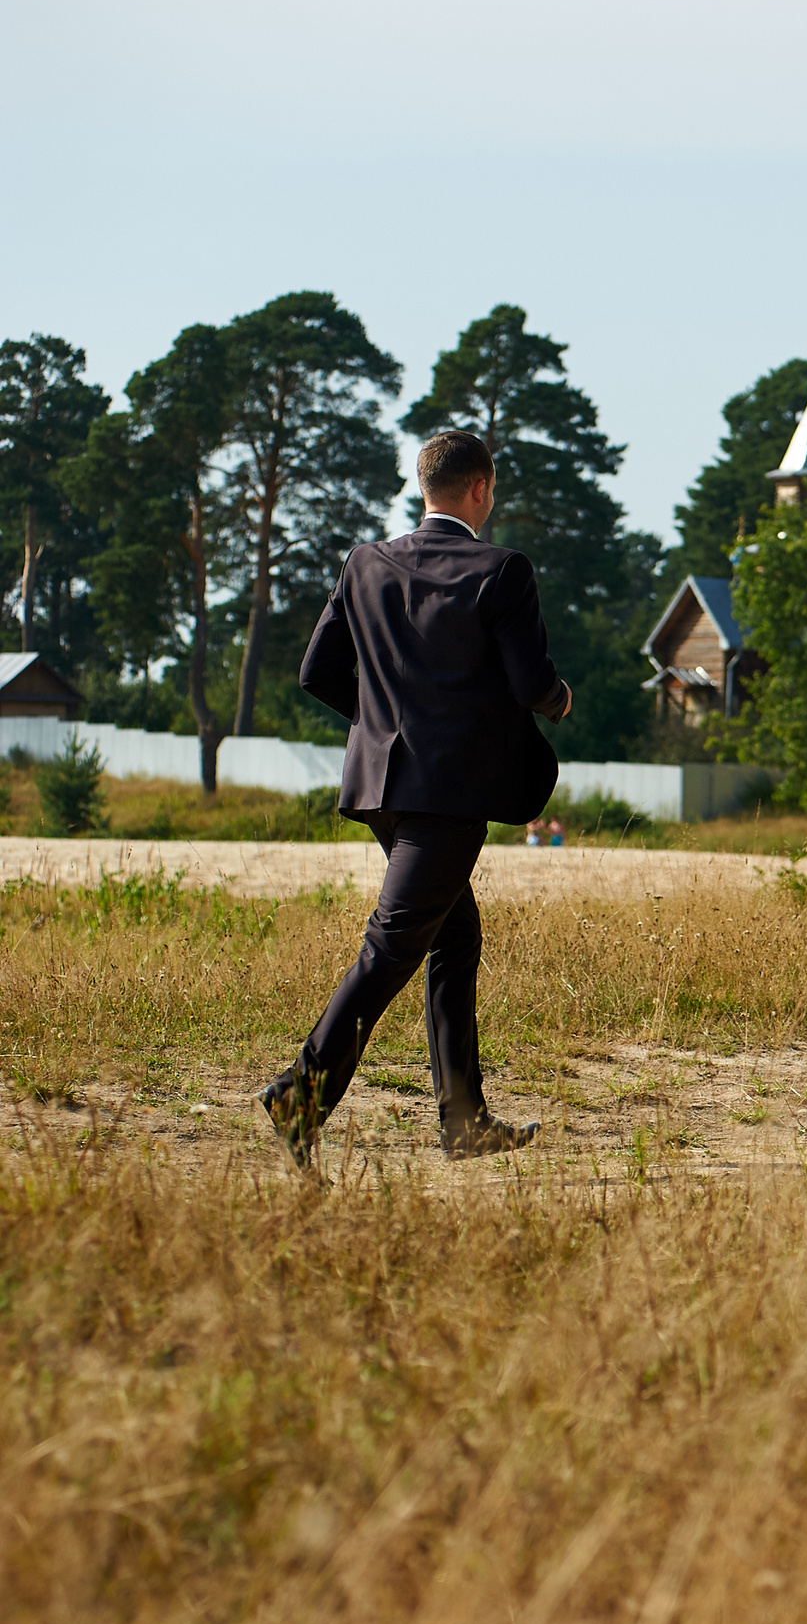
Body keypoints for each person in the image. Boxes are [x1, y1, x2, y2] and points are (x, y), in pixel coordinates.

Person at [256, 430, 572, 1166]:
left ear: (424, 485)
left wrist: (385, 721)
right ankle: (299, 1097)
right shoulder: (504, 570)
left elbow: (316, 672)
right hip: (447, 796)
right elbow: (531, 685)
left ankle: (463, 1120)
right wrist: (559, 700)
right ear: (481, 491)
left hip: (379, 786)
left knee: (452, 935)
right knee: (393, 943)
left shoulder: (366, 562)